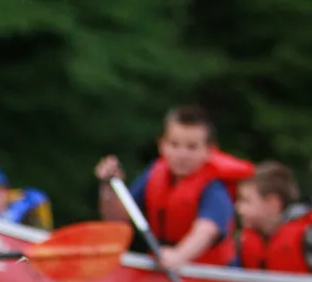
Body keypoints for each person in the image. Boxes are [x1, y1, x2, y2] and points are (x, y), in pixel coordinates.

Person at [95, 105, 254, 270]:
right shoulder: (154, 175)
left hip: (208, 275)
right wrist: (109, 188)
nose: (182, 154)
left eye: (191, 147)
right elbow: (117, 219)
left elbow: (206, 230)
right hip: (167, 271)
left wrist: (179, 255)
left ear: (209, 150)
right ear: (162, 145)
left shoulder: (214, 188)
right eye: (174, 144)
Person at [223, 161, 312, 274]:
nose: (238, 208)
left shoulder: (310, 238)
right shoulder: (241, 242)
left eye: (245, 200)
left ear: (272, 203)